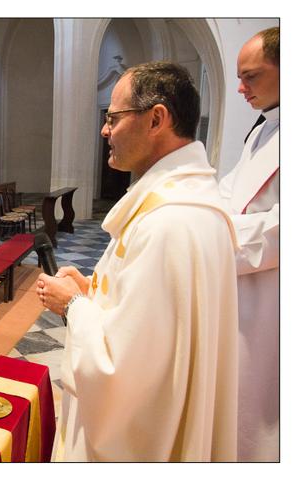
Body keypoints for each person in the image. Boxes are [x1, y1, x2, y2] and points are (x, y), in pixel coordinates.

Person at [37, 62, 239, 461]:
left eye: (113, 118)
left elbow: (122, 375)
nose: (104, 130)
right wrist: (93, 291)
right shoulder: (193, 201)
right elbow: (157, 327)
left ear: (156, 119)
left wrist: (72, 305)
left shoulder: (168, 222)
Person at [218, 26, 279, 462]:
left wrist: (216, 236)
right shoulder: (262, 130)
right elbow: (230, 190)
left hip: (274, 298)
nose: (241, 88)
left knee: (262, 409)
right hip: (238, 285)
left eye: (251, 76)